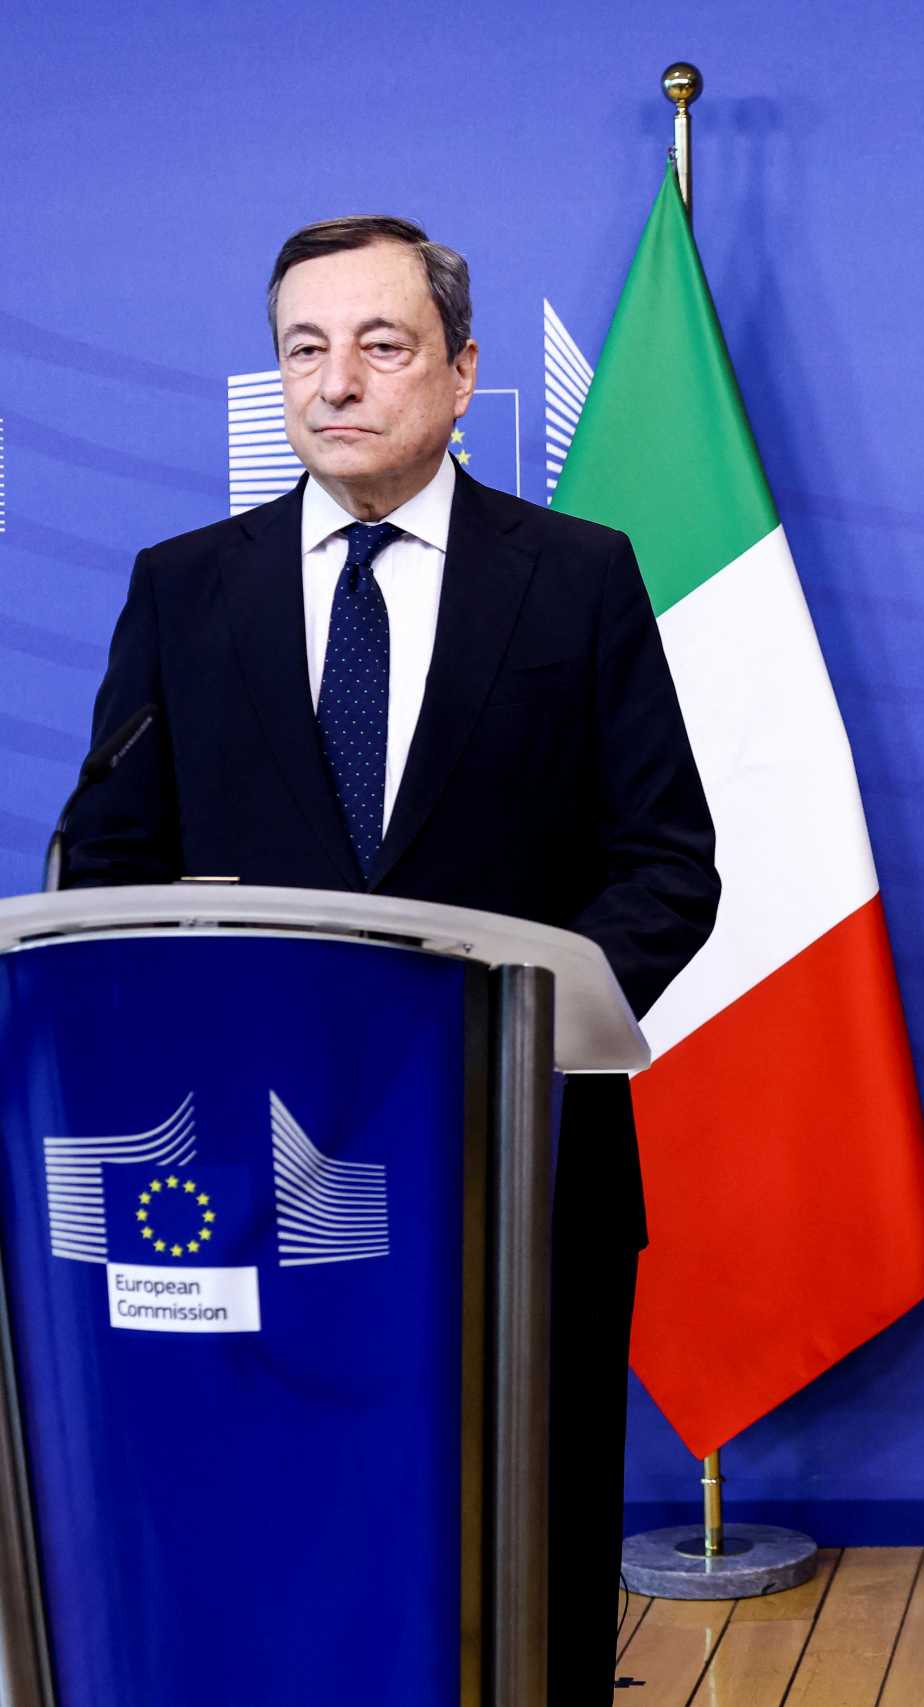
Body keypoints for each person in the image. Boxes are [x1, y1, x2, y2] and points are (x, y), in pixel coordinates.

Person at [62, 215, 719, 1703]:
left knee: (526, 1549)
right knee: (285, 1543)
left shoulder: (577, 578)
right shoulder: (184, 589)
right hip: (245, 1171)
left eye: (382, 344)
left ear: (464, 372)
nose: (336, 381)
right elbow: (103, 866)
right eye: (306, 347)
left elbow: (668, 866)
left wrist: (498, 1044)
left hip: (524, 1165)